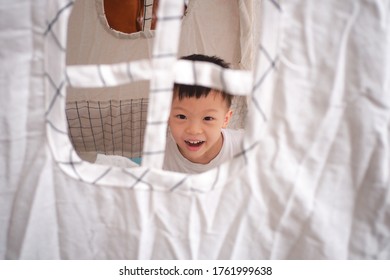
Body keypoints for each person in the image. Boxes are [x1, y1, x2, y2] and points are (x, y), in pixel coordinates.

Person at [163, 54, 244, 173]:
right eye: (182, 116)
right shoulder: (160, 158)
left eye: (207, 118)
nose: (194, 130)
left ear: (225, 119)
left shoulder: (244, 147)